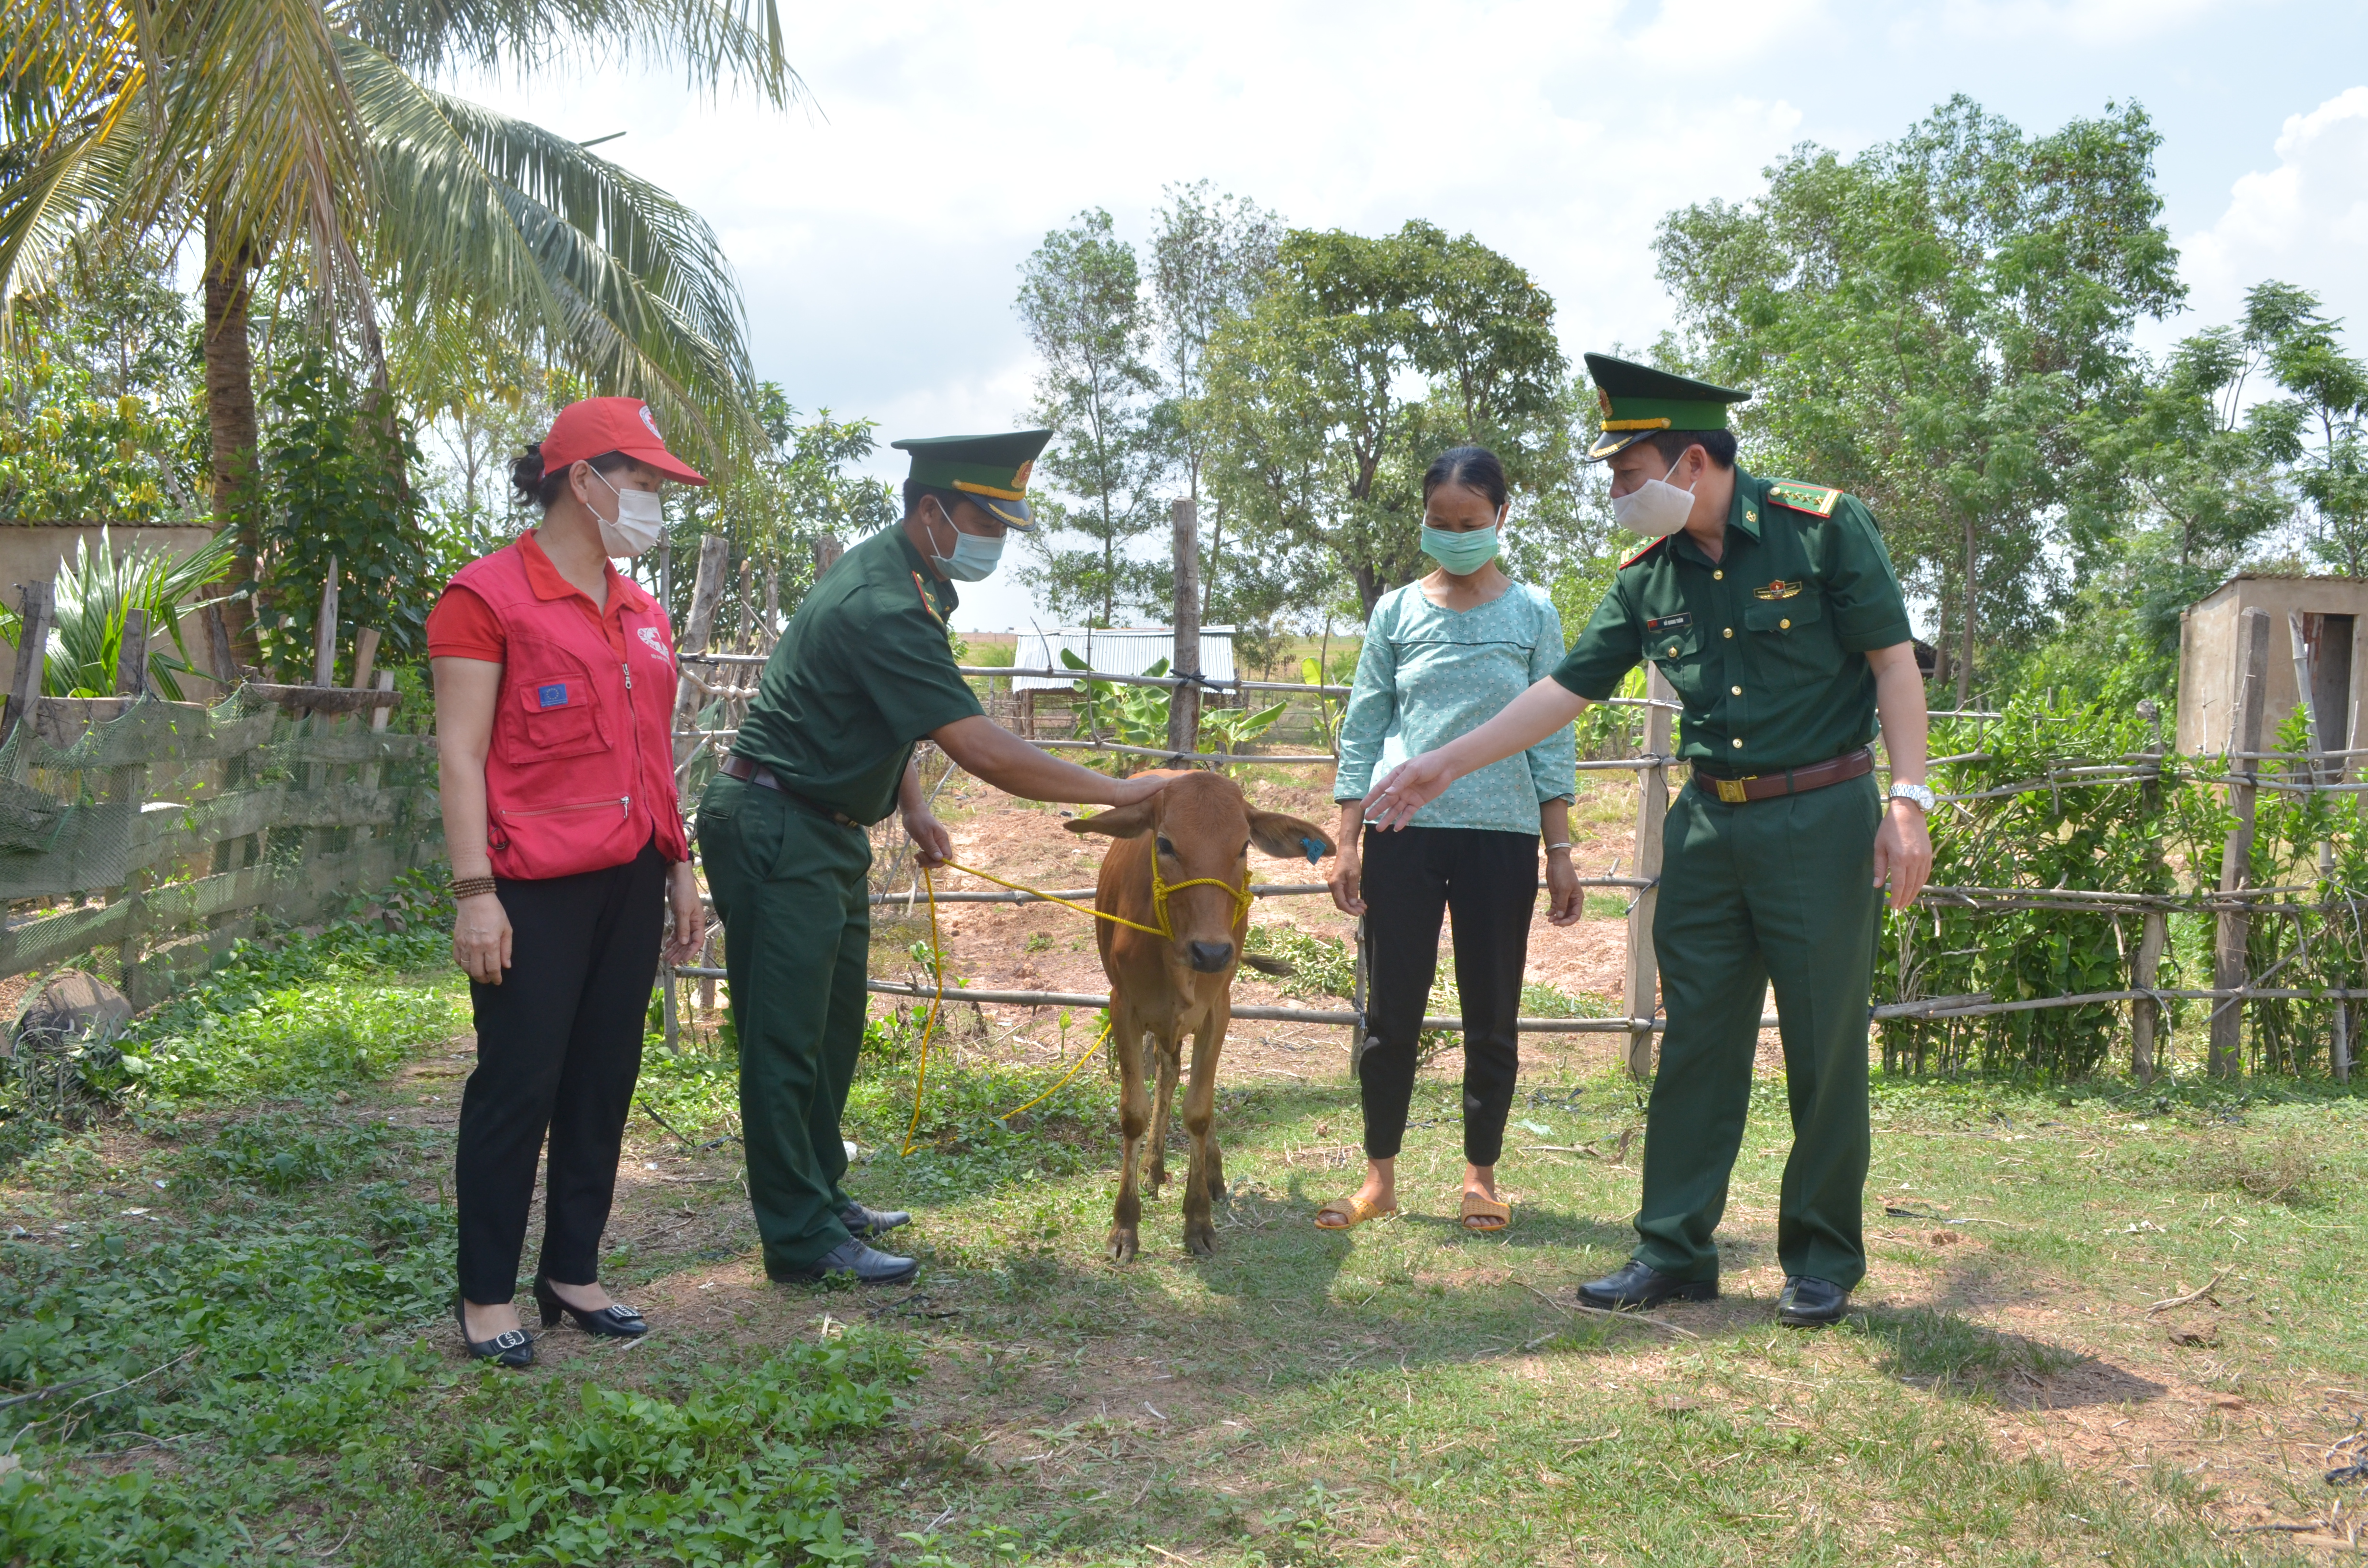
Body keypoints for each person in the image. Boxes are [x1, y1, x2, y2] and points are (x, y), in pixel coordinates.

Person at [1361, 355, 1934, 1327]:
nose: (1618, 497)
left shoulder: (1822, 528)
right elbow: (1565, 690)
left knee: (1820, 1041)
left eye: (1630, 477)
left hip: (1820, 813)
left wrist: (1909, 801)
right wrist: (1443, 763)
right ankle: (1673, 1249)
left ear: (1695, 463)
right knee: (1695, 1039)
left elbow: (1891, 658)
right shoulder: (1645, 577)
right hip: (1708, 826)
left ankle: (1822, 1259)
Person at [697, 429, 1172, 1286]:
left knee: (832, 1032)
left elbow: (890, 713)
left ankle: (820, 1193)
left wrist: (911, 801)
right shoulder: (882, 601)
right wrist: (1118, 791)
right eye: (985, 519)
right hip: (778, 825)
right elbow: (984, 748)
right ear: (931, 511)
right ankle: (799, 1239)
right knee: (785, 1039)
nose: (997, 538)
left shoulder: (917, 582)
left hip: (823, 825)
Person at [429, 396, 711, 1367]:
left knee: (603, 1076)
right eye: (643, 484)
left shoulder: (642, 611)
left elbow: (654, 750)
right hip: (531, 889)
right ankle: (484, 1295)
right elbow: (460, 756)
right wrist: (476, 893)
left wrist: (678, 863)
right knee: (519, 1083)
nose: (654, 504)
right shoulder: (486, 598)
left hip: (632, 878)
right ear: (584, 481)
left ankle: (572, 1273)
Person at [1319, 445, 1580, 1235]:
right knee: (1390, 1014)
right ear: (1423, 520)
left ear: (1503, 517)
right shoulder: (1396, 613)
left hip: (1500, 840)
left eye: (1471, 523)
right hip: (1402, 834)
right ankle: (1379, 1179)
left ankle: (1481, 1178)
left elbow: (1552, 741)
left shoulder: (1534, 614)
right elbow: (1364, 727)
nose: (1456, 535)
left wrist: (1559, 850)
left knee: (1491, 1013)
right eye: (1440, 523)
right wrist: (1347, 838)